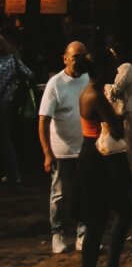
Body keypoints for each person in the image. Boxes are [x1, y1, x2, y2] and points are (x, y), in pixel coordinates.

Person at [75, 51, 132, 267]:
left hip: (102, 159)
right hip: (97, 160)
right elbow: (117, 127)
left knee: (125, 211)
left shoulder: (92, 92)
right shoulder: (95, 96)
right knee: (96, 224)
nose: (116, 71)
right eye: (112, 66)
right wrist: (120, 116)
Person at [38, 42, 90, 254]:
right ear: (65, 58)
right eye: (75, 56)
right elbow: (43, 121)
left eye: (83, 56)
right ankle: (57, 233)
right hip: (62, 150)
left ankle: (83, 234)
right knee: (59, 194)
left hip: (85, 148)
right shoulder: (55, 83)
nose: (79, 61)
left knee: (85, 193)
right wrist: (47, 153)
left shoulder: (88, 80)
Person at [0, 34, 32, 184]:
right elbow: (29, 74)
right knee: (6, 138)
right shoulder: (13, 60)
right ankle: (14, 173)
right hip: (8, 105)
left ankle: (9, 173)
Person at [107, 41, 132, 185]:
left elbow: (115, 90)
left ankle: (130, 181)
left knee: (128, 149)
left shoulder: (126, 68)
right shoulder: (118, 68)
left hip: (126, 114)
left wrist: (104, 85)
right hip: (118, 114)